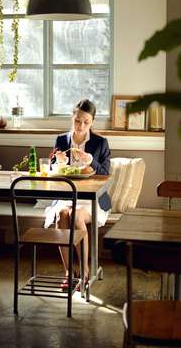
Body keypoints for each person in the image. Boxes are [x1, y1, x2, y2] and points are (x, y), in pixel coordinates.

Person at [45, 99, 111, 287]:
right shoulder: (61, 140)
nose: (81, 126)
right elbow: (52, 170)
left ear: (92, 122)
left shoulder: (100, 143)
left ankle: (85, 270)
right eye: (77, 120)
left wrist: (90, 160)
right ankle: (68, 272)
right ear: (72, 118)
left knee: (75, 215)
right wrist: (59, 162)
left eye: (86, 122)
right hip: (67, 196)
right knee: (61, 215)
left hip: (93, 199)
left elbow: (105, 173)